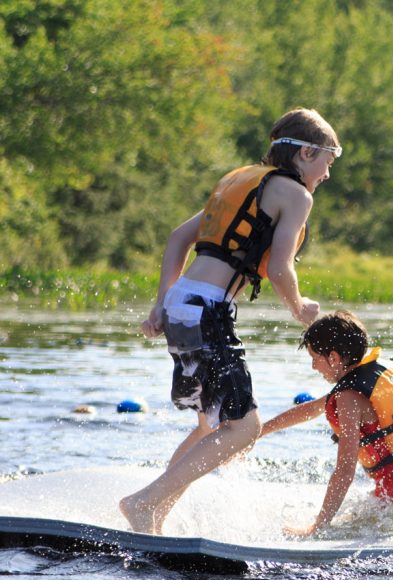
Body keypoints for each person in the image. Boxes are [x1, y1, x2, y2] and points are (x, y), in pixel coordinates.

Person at [119, 108, 341, 535]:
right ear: (308, 153)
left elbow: (178, 238)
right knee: (244, 428)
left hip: (185, 302)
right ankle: (144, 502)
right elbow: (279, 269)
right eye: (329, 160)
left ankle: (154, 515)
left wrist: (162, 301)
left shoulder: (241, 178)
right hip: (207, 310)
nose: (328, 173)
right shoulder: (296, 194)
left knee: (209, 426)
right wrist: (300, 310)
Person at [260, 310, 393, 537]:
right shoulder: (371, 373)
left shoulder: (348, 398)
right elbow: (312, 408)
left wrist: (318, 526)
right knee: (352, 515)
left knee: (342, 524)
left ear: (333, 357)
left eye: (315, 358)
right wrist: (260, 431)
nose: (313, 366)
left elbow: (344, 471)